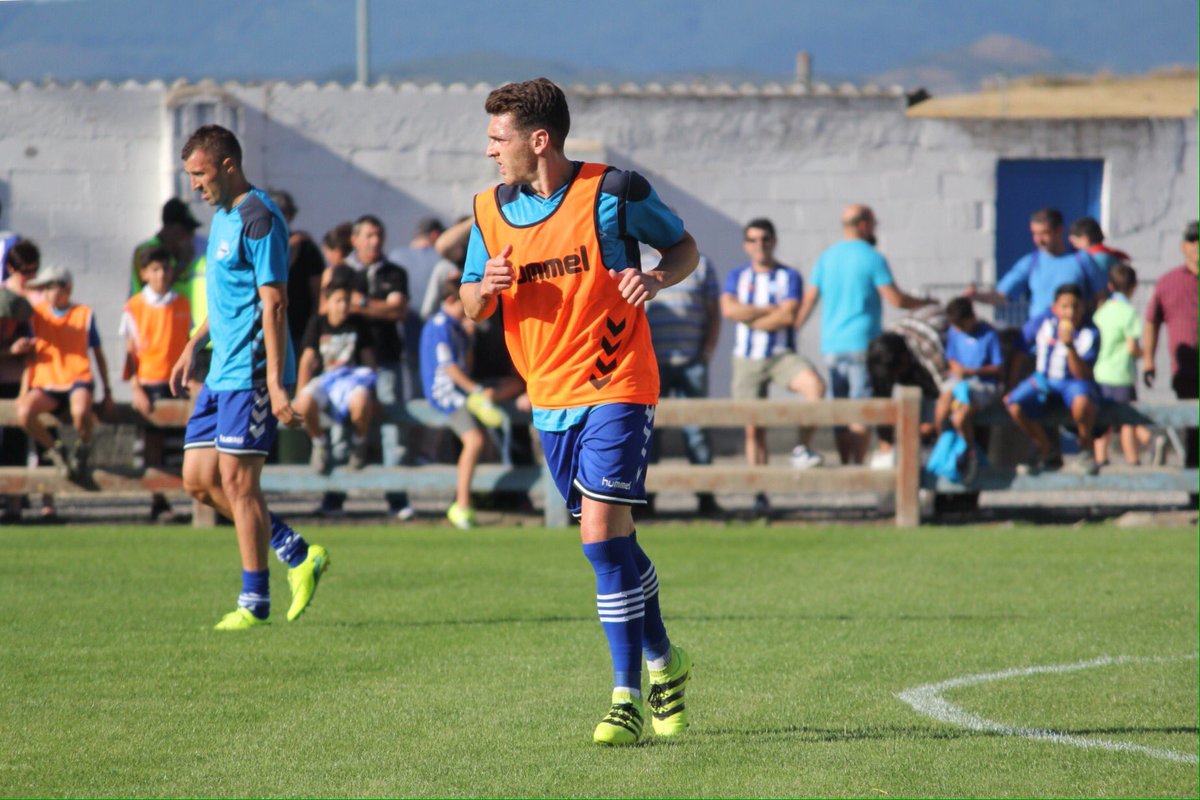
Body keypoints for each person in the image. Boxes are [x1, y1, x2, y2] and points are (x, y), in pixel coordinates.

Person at [461, 78, 694, 746]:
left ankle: (625, 698)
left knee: (597, 534)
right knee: (612, 539)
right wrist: (486, 289)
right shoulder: (488, 211)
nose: (489, 153)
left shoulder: (613, 194)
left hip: (619, 382)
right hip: (551, 399)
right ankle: (665, 661)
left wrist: (655, 278)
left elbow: (684, 249)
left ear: (539, 141)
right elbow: (470, 302)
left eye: (497, 139)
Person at [170, 124, 329, 631]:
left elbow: (274, 302)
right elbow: (225, 300)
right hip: (220, 373)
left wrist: (278, 384)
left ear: (227, 165)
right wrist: (193, 344)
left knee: (238, 483)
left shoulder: (260, 217)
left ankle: (254, 601)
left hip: (253, 373)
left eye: (199, 174)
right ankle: (297, 551)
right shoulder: (222, 217)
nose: (194, 186)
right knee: (198, 481)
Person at [796, 204, 933, 465]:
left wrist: (793, 332)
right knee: (860, 407)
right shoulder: (872, 257)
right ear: (863, 225)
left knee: (841, 409)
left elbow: (809, 300)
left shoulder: (827, 257)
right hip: (863, 344)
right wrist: (924, 303)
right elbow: (895, 298)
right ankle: (857, 469)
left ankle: (847, 464)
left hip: (832, 346)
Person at [720, 218, 825, 517]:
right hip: (746, 358)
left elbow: (788, 316)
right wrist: (770, 311)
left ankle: (801, 449)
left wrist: (749, 316)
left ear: (774, 241)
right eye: (753, 240)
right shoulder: (737, 275)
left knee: (814, 387)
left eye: (765, 239)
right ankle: (760, 494)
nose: (759, 245)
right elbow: (728, 310)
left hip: (780, 354)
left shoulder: (788, 275)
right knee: (754, 429)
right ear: (745, 245)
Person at [321, 214, 413, 520]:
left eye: (379, 235)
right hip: (346, 361)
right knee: (339, 425)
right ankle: (334, 496)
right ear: (355, 240)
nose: (375, 241)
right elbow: (327, 310)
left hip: (386, 359)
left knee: (391, 428)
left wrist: (357, 303)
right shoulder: (342, 272)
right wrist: (380, 306)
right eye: (369, 235)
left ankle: (396, 498)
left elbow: (398, 310)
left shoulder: (395, 272)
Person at [421, 273, 517, 528]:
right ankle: (461, 504)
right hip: (447, 393)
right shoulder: (440, 325)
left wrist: (470, 339)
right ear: (452, 299)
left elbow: (467, 364)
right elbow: (450, 368)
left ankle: (488, 400)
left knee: (515, 384)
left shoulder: (460, 328)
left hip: (465, 390)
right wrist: (475, 390)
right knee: (474, 439)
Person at [17, 265, 115, 483]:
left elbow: (98, 354)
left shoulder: (83, 314)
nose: (47, 293)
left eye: (51, 287)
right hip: (47, 383)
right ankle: (56, 450)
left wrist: (107, 391)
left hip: (77, 379)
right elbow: (30, 355)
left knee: (80, 411)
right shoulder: (37, 315)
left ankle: (83, 446)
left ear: (66, 288)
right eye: (45, 288)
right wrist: (25, 388)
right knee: (24, 413)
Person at [644, 244, 721, 515]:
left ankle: (705, 497)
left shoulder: (699, 263)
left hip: (691, 361)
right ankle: (646, 498)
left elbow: (714, 311)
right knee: (648, 431)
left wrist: (708, 352)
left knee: (696, 430)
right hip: (652, 363)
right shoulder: (639, 262)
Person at [120, 246, 193, 520]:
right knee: (153, 444)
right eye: (155, 270)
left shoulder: (182, 303)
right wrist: (135, 386)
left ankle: (193, 499)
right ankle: (158, 501)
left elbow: (187, 344)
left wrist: (192, 377)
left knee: (184, 443)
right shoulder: (135, 307)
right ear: (144, 274)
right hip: (150, 383)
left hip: (177, 381)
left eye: (165, 269)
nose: (161, 274)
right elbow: (130, 353)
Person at [1005, 283, 1100, 475]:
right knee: (1013, 404)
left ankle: (1085, 449)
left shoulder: (1090, 332)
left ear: (1083, 306)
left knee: (1083, 404)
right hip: (1044, 379)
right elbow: (1019, 349)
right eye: (1065, 307)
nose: (1070, 312)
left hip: (1073, 382)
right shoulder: (1043, 322)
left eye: (1075, 307)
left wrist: (1069, 346)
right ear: (1055, 307)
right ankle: (1044, 448)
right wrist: (1011, 385)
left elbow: (1082, 373)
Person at [293, 278, 378, 474]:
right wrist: (299, 393)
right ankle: (320, 444)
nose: (343, 306)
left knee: (362, 400)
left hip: (351, 380)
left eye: (347, 300)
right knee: (305, 402)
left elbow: (369, 361)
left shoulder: (358, 324)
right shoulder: (317, 323)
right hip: (325, 381)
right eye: (338, 300)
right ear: (327, 302)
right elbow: (307, 359)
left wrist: (374, 394)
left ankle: (359, 443)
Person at [969, 208, 1105, 319]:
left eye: (1044, 233)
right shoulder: (1030, 262)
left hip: (1074, 338)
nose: (1039, 240)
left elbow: (1101, 298)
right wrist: (976, 296)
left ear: (1059, 230)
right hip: (1040, 340)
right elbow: (1001, 296)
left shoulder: (1081, 259)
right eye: (1035, 234)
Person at [1143, 220, 1199, 469]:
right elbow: (1151, 322)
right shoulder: (1169, 282)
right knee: (1193, 432)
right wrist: (1148, 360)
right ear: (1183, 246)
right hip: (1186, 370)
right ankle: (1194, 491)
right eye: (1192, 240)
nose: (1197, 246)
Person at [934, 297, 1004, 483]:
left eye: (961, 324)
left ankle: (969, 453)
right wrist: (958, 369)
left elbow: (998, 367)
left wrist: (972, 371)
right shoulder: (954, 332)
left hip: (982, 384)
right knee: (942, 405)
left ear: (971, 317)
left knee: (960, 416)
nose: (958, 328)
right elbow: (951, 358)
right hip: (958, 382)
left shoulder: (988, 334)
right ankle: (944, 446)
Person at [1091, 262, 1152, 466]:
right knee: (1127, 420)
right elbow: (1132, 347)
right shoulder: (1128, 312)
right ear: (1133, 287)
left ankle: (1100, 458)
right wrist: (1145, 353)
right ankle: (1133, 458)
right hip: (1121, 374)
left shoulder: (1101, 311)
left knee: (1103, 419)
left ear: (1110, 286)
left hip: (1100, 372)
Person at [266, 189, 326, 347]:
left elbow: (317, 292)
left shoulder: (306, 248)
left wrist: (314, 328)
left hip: (299, 328)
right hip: (266, 326)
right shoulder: (260, 244)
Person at [0, 274, 34, 521]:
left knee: (16, 445)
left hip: (15, 386)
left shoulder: (25, 326)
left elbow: (32, 361)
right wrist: (8, 351)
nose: (9, 326)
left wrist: (24, 391)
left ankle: (15, 504)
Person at [1069, 216, 1130, 293]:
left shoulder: (1097, 259)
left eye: (1074, 241)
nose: (1074, 246)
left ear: (1085, 239)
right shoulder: (1111, 255)